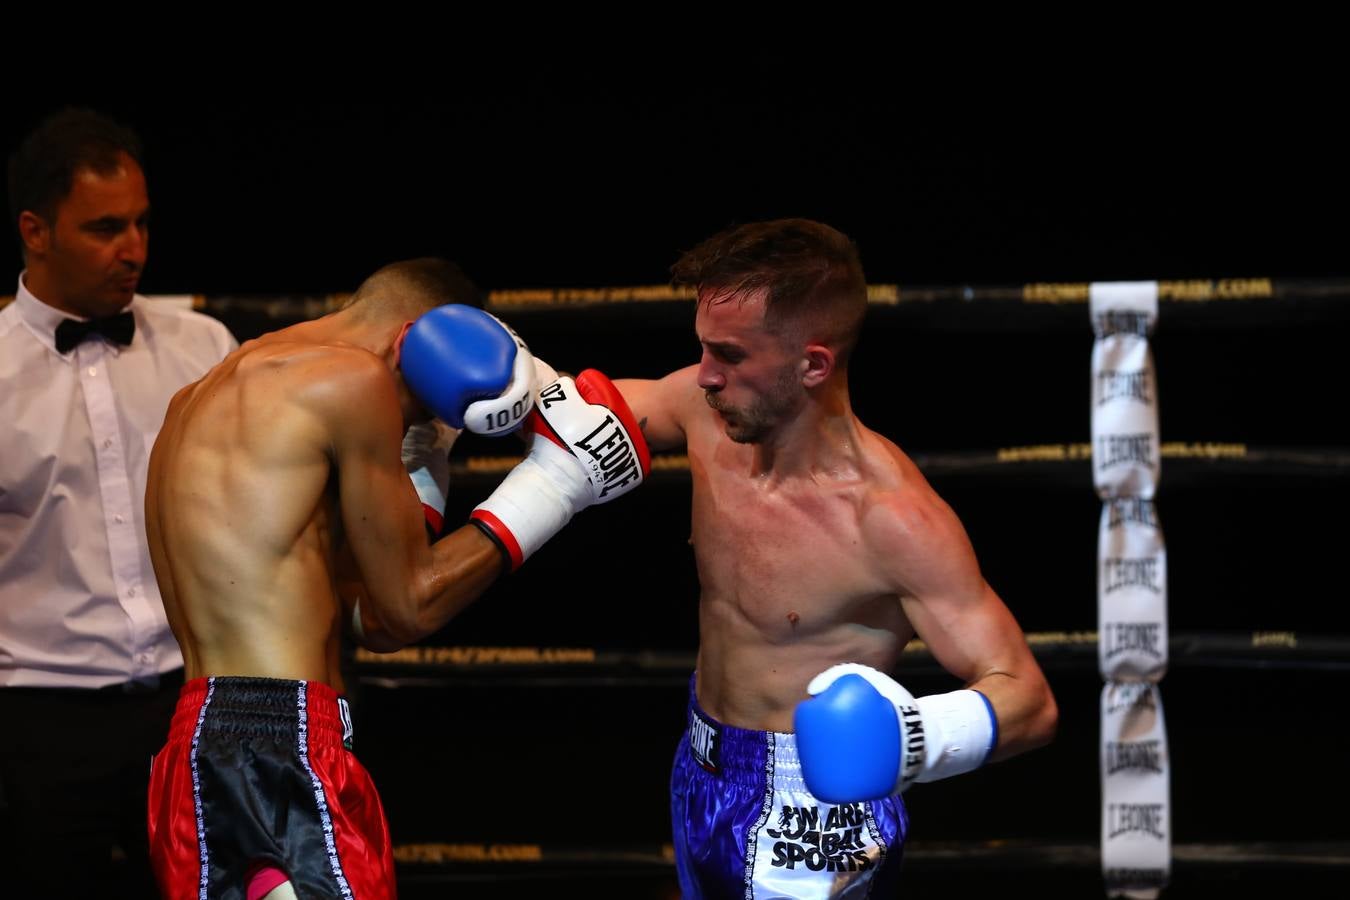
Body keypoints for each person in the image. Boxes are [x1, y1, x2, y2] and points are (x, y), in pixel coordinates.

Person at [142, 258, 649, 899]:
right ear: (418, 339)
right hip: (282, 759)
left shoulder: (198, 399)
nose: (412, 424)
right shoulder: (353, 380)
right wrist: (556, 483)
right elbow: (409, 607)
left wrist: (425, 454)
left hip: (193, 751)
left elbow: (368, 615)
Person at [614, 219, 1058, 897]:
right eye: (703, 349)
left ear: (812, 364)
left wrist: (916, 738)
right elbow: (603, 412)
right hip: (701, 766)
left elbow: (1028, 698)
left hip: (815, 815)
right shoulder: (712, 415)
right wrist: (488, 394)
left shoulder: (891, 520)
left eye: (729, 356)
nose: (703, 376)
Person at [0, 108, 238, 899]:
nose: (133, 248)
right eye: (105, 228)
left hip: (188, 701)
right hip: (35, 720)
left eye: (140, 222)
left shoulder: (203, 348)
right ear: (35, 231)